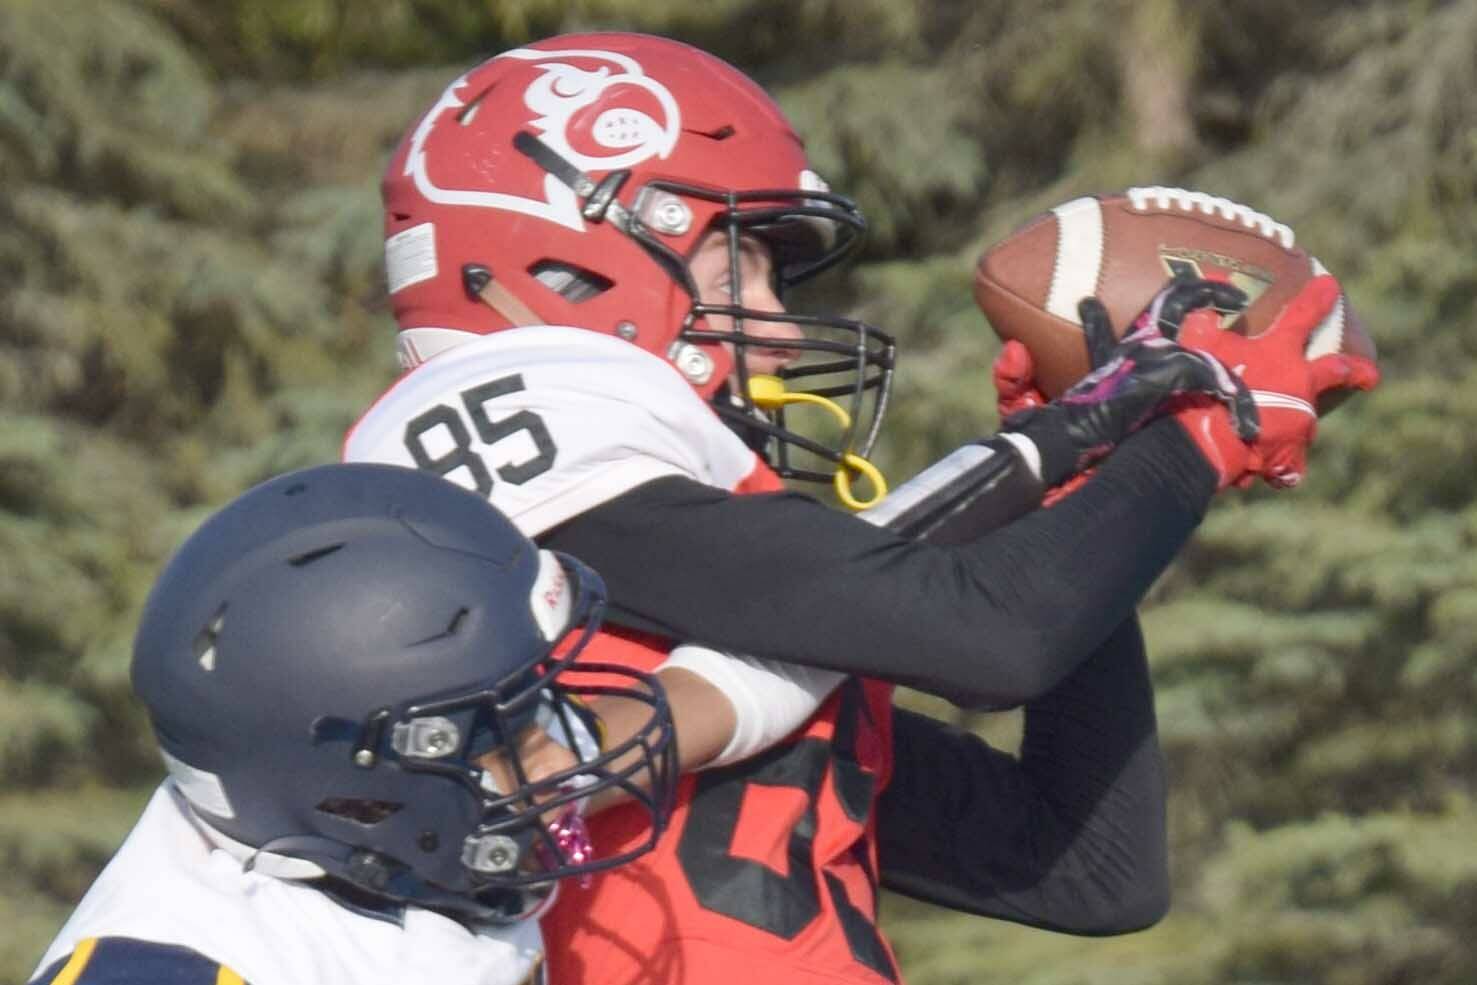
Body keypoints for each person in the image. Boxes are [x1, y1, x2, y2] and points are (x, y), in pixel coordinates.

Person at [343, 31, 1379, 985]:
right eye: (740, 260)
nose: (782, 332)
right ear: (573, 259)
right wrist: (1186, 444)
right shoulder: (480, 457)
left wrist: (1079, 483)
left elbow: (1087, 866)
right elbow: (982, 635)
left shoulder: (653, 636)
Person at [27, 463, 678, 985]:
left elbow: (693, 707)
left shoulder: (380, 841)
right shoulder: (180, 965)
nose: (559, 761)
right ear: (368, 798)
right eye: (508, 735)